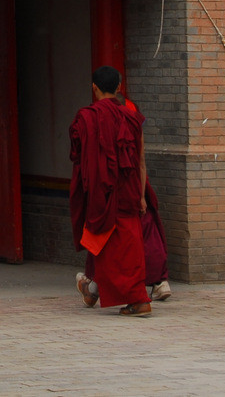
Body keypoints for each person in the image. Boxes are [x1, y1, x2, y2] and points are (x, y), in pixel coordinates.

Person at [69, 65, 155, 316]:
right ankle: (128, 295)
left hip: (101, 193)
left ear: (93, 88)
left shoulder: (86, 117)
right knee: (129, 245)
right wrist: (140, 196)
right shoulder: (131, 116)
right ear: (119, 87)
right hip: (128, 193)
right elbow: (140, 160)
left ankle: (135, 299)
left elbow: (80, 158)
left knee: (106, 246)